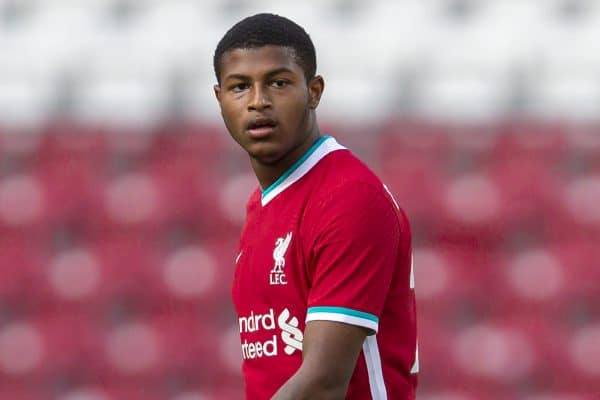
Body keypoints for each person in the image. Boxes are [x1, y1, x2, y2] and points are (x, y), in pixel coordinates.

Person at [213, 13, 418, 400]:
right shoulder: (266, 205)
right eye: (240, 87)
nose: (258, 101)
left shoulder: (348, 197)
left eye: (278, 82)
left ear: (314, 91)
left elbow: (324, 384)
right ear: (220, 99)